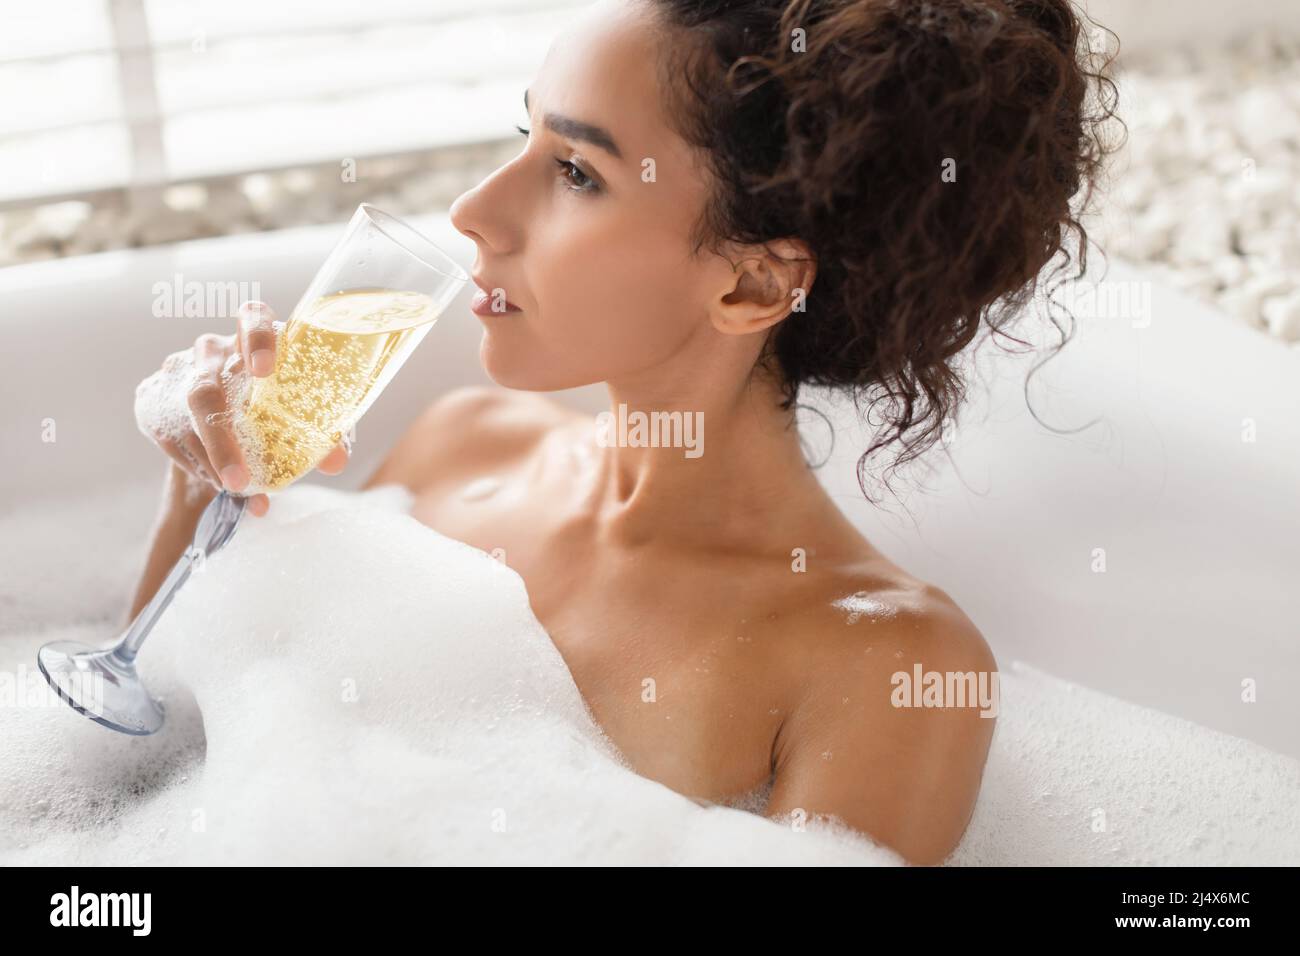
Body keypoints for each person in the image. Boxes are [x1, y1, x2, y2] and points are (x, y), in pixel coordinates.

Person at [130, 0, 1118, 864]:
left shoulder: (888, 666)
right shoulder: (461, 448)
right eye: (520, 135)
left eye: (574, 170)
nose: (474, 212)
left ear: (752, 282)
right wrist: (205, 486)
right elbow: (152, 761)